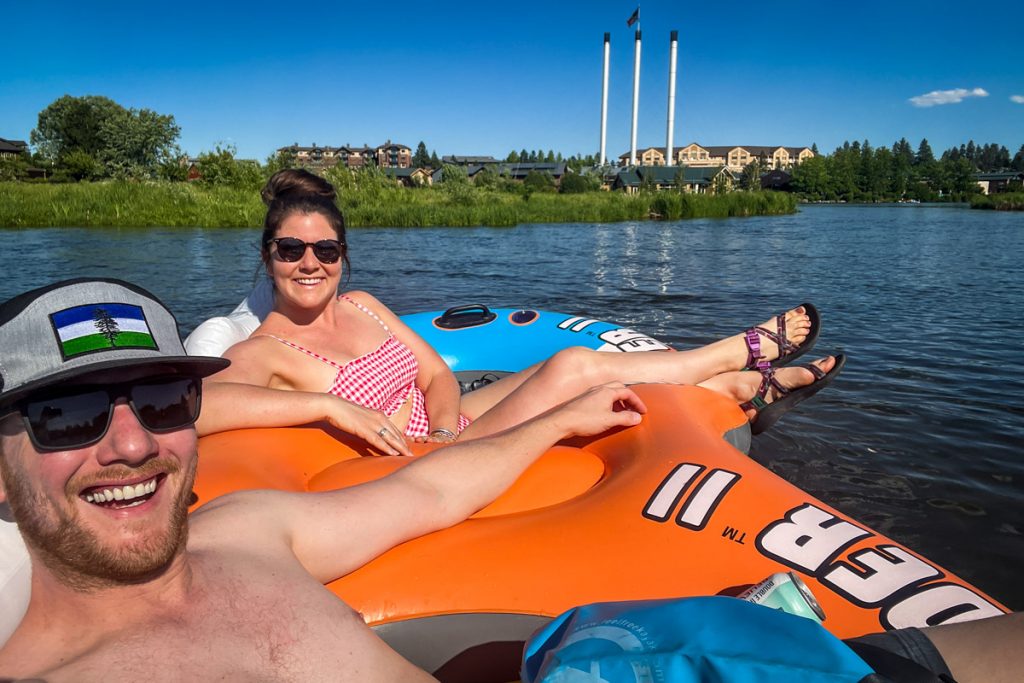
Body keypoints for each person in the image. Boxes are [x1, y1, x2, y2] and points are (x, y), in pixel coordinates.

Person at [0, 279, 1018, 682]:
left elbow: (431, 493)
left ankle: (737, 373)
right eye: (68, 414)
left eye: (164, 401)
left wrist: (565, 420)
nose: (131, 442)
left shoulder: (245, 529)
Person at [197, 169, 844, 454]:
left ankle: (730, 385)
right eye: (291, 248)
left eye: (326, 248)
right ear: (267, 253)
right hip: (413, 463)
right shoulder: (261, 351)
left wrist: (447, 427)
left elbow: (437, 376)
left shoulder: (363, 305)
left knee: (574, 362)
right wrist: (330, 405)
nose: (309, 262)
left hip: (448, 430)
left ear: (343, 253)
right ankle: (731, 355)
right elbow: (196, 410)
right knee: (571, 371)